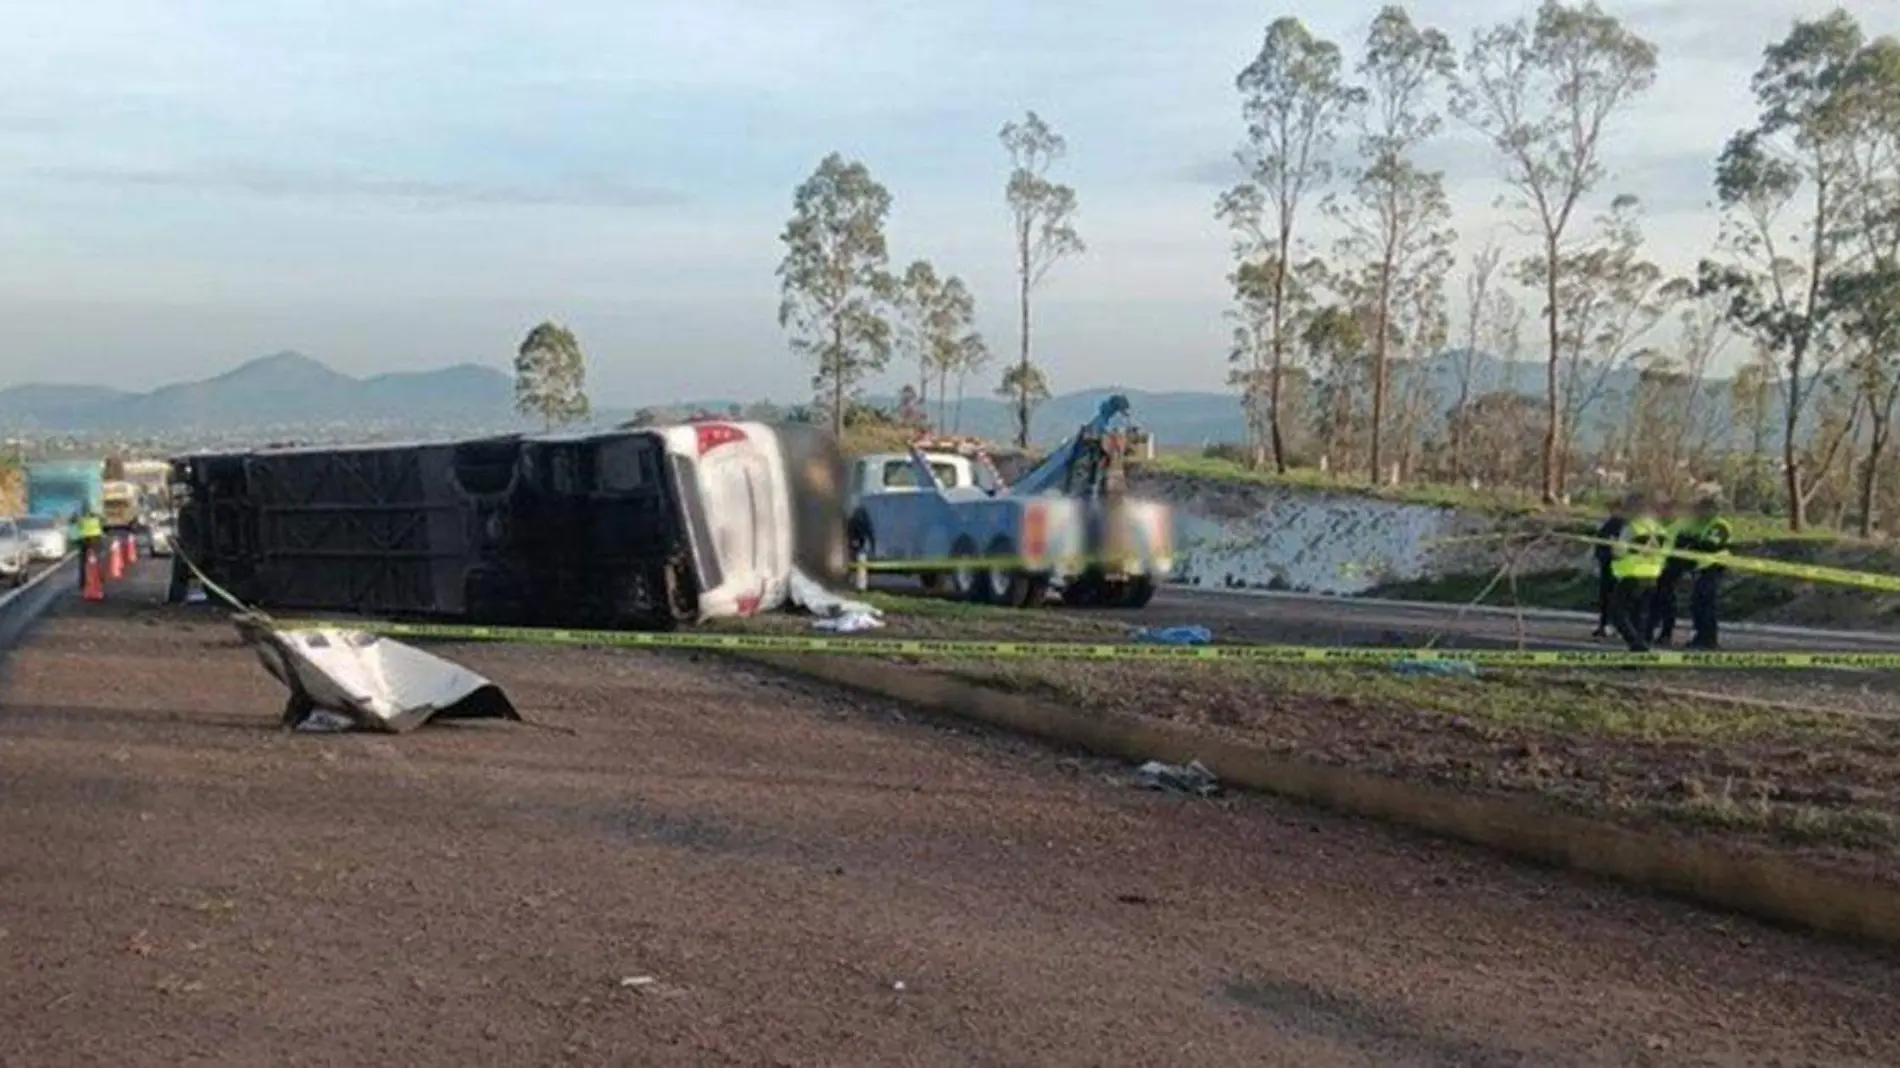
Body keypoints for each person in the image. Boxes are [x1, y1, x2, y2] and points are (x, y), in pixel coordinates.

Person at [1607, 494, 1667, 652]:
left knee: (1617, 612)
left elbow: (1620, 552)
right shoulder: (1659, 528)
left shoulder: (1632, 527)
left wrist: (1613, 546)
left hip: (1632, 574)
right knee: (1640, 617)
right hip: (1652, 575)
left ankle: (1636, 644)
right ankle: (1638, 654)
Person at [1679, 496, 1733, 649]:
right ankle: (1700, 636)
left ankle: (1709, 639)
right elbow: (1684, 539)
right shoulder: (1700, 525)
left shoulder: (1720, 525)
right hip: (1700, 568)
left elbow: (1710, 544)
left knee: (1706, 604)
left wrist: (1692, 543)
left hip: (1714, 567)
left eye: (1702, 510)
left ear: (1711, 510)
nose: (1698, 513)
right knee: (1697, 604)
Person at [1591, 494, 1637, 638]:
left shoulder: (1621, 524)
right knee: (1606, 598)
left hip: (1618, 567)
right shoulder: (1613, 522)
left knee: (1614, 599)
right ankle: (1605, 624)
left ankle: (1613, 626)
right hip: (1610, 565)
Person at [1648, 495, 1687, 646]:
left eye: (1664, 510)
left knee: (1666, 600)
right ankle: (1649, 631)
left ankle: (1666, 633)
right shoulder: (1658, 526)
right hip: (1656, 566)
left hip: (1671, 567)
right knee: (1654, 600)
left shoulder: (1680, 527)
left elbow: (1682, 549)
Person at [75, 509, 103, 590]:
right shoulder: (96, 520)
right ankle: (99, 578)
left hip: (84, 540)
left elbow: (78, 527)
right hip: (95, 540)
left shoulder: (82, 520)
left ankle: (82, 582)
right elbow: (101, 527)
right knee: (97, 560)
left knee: (82, 562)